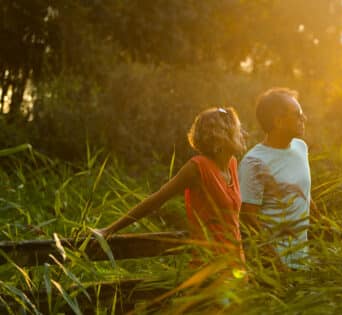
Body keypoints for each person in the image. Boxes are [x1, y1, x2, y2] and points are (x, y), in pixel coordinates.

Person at [95, 107, 246, 267]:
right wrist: (109, 230)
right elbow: (155, 201)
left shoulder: (232, 164)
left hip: (236, 265)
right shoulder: (197, 168)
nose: (242, 135)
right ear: (220, 137)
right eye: (237, 131)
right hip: (208, 266)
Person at [239, 87, 314, 270]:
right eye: (298, 114)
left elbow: (303, 192)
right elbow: (248, 220)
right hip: (271, 267)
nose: (304, 119)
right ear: (279, 121)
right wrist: (277, 264)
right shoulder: (254, 162)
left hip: (302, 259)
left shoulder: (301, 147)